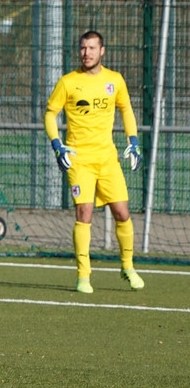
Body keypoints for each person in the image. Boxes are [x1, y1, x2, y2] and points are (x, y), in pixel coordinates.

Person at [44, 30, 145, 294]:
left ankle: (128, 266)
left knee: (122, 212)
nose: (86, 53)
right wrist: (57, 145)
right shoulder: (68, 82)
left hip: (108, 158)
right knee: (84, 213)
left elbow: (126, 109)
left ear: (102, 51)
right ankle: (83, 275)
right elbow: (50, 113)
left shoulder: (115, 80)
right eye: (82, 48)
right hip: (79, 160)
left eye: (91, 48)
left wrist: (133, 141)